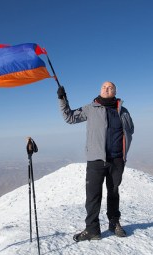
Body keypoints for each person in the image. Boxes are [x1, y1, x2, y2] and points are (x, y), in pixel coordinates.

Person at [57, 81, 134, 242]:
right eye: (104, 87)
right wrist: (63, 99)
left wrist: (123, 155)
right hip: (96, 160)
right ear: (100, 90)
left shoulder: (123, 111)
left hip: (117, 160)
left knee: (113, 193)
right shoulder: (91, 108)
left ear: (115, 91)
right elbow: (70, 118)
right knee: (93, 196)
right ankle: (92, 230)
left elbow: (130, 130)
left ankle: (114, 224)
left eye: (110, 87)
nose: (107, 89)